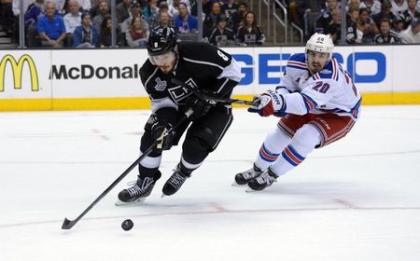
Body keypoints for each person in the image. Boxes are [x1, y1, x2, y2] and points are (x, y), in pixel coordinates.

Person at [117, 26, 242, 203]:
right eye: (155, 57)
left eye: (165, 56)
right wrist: (164, 125)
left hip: (215, 106)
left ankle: (182, 172)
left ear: (175, 48)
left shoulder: (198, 52)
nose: (161, 62)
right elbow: (162, 103)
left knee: (195, 147)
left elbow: (233, 71)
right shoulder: (149, 73)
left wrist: (211, 97)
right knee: (154, 137)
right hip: (180, 107)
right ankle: (145, 182)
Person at [234, 33, 361, 191]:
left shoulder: (331, 77)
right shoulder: (295, 61)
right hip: (312, 104)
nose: (316, 60)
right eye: (313, 54)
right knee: (277, 136)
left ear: (329, 56)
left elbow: (303, 105)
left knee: (306, 136)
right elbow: (286, 86)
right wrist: (273, 98)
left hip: (339, 114)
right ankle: (257, 169)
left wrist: (276, 102)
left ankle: (271, 175)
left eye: (322, 55)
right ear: (306, 52)